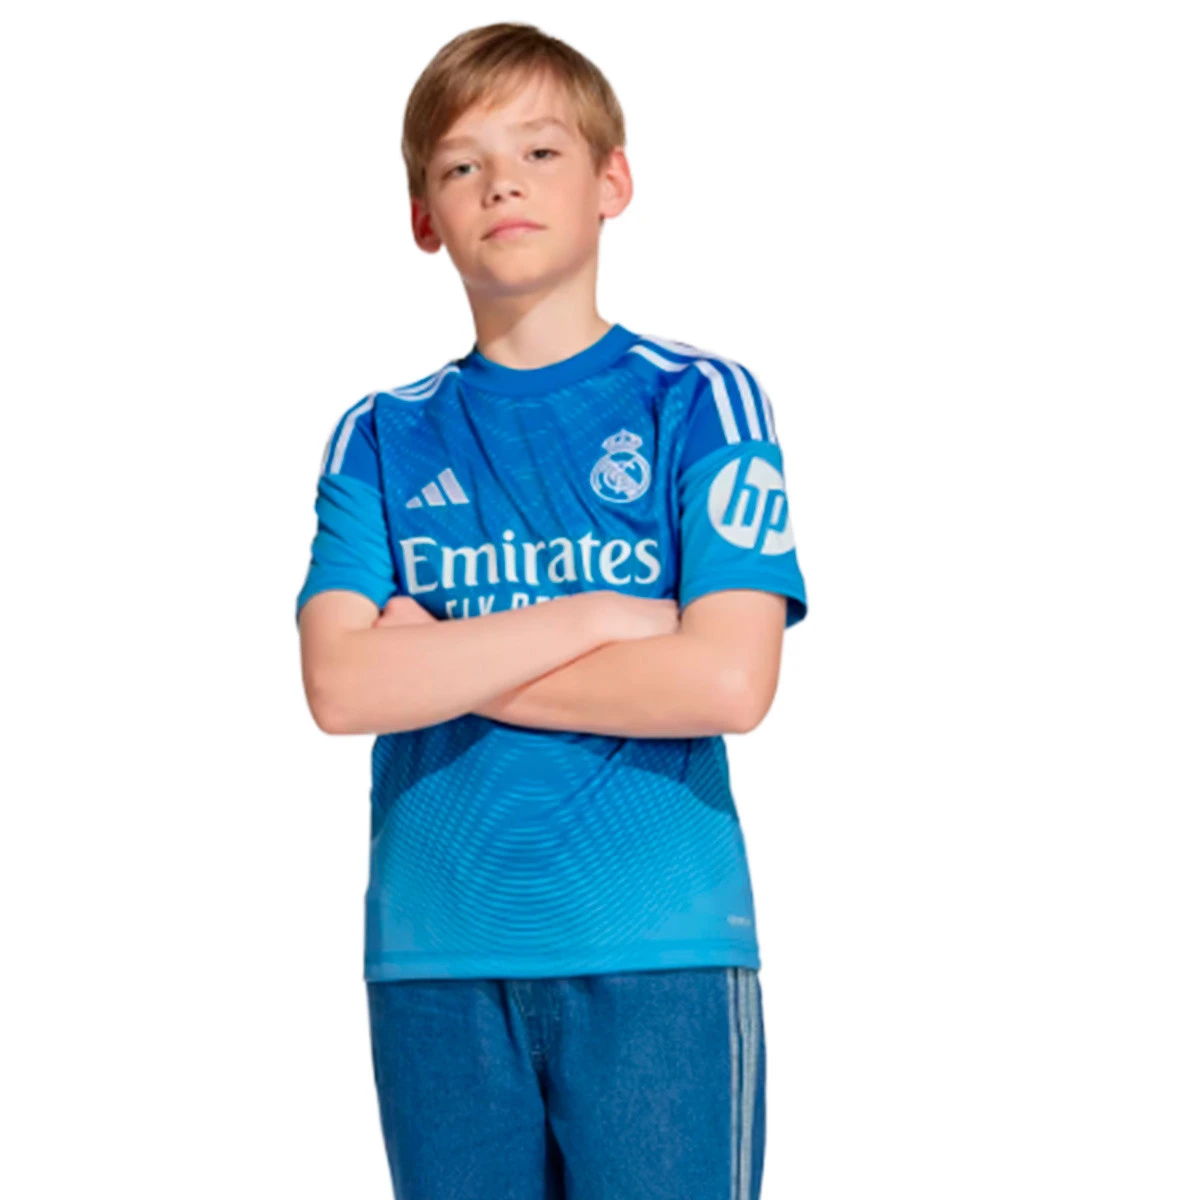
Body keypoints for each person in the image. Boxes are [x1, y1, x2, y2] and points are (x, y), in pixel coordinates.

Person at [294, 21, 807, 1200]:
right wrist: (601, 615)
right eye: (461, 164)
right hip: (435, 954)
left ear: (612, 181)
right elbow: (341, 687)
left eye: (540, 151)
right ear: (423, 216)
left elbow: (728, 682)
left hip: (657, 948)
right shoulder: (380, 434)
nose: (502, 183)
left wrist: (442, 658)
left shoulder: (701, 401)